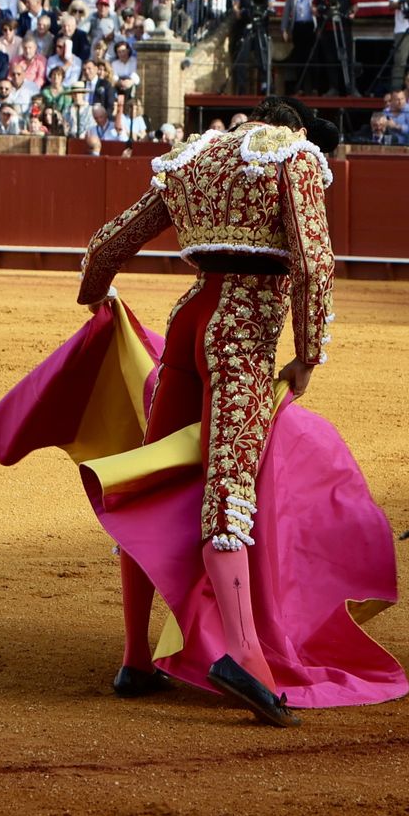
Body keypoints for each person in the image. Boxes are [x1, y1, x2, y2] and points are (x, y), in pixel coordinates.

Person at [72, 96, 337, 727]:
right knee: (228, 487)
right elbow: (313, 264)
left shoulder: (194, 157)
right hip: (242, 325)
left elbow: (110, 242)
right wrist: (308, 352)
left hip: (190, 317)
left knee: (151, 481)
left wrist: (95, 294)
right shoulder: (293, 157)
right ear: (294, 127)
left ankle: (136, 656)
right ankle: (244, 655)